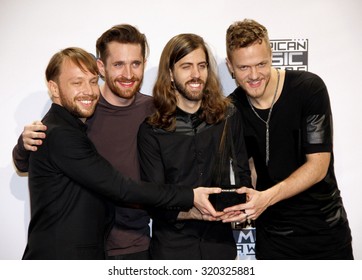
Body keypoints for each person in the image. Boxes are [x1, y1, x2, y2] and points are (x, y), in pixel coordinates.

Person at [14, 46, 221, 260]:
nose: (89, 90)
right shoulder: (60, 134)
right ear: (54, 89)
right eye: (77, 83)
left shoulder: (71, 126)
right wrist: (190, 195)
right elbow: (121, 187)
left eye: (93, 82)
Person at [14, 24, 153, 260]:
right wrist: (23, 144)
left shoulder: (155, 110)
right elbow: (30, 162)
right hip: (83, 247)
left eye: (136, 64)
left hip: (135, 245)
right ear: (101, 66)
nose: (128, 74)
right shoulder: (81, 108)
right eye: (118, 64)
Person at [222, 19, 354, 259]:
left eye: (261, 64)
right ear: (230, 66)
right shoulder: (232, 109)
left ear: (271, 55)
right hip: (273, 240)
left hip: (325, 231)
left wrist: (266, 198)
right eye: (243, 68)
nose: (254, 75)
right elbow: (250, 169)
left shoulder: (308, 89)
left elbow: (318, 166)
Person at [137, 33, 252, 260]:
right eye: (186, 67)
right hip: (172, 252)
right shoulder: (152, 130)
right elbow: (154, 200)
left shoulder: (228, 116)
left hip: (220, 248)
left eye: (201, 65)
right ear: (170, 73)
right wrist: (194, 210)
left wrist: (242, 208)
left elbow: (242, 175)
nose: (196, 75)